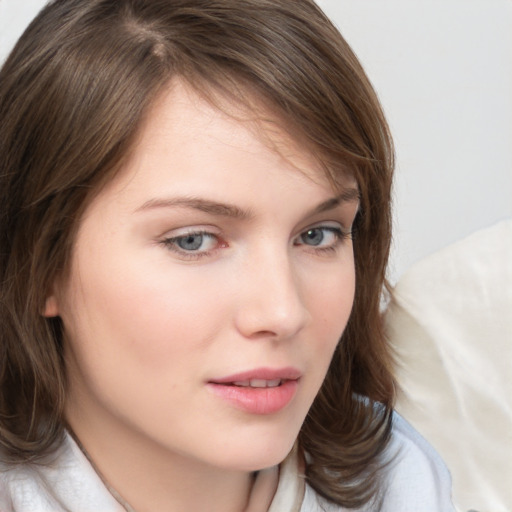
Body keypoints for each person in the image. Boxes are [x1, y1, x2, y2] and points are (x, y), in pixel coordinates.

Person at [0, 0, 454, 510]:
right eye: (193, 240)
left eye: (318, 234)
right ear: (38, 265)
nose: (283, 313)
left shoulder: (401, 480)